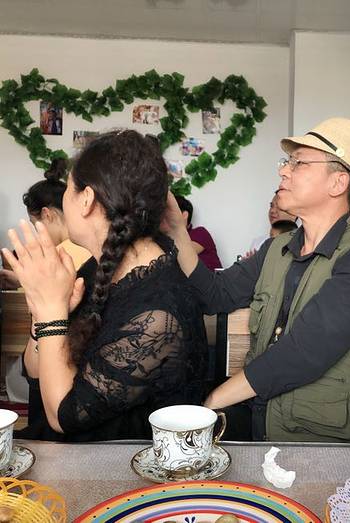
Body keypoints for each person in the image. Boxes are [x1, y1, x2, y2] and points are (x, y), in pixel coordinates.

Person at [163, 117, 350, 443]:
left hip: (328, 444)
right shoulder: (276, 248)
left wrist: (214, 400)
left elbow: (305, 350)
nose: (284, 171)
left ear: (338, 183)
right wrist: (177, 230)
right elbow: (216, 294)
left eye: (298, 163)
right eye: (287, 162)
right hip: (264, 424)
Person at [3, 129, 208, 441]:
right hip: (71, 449)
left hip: (114, 463)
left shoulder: (158, 314)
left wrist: (51, 312)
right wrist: (43, 309)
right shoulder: (98, 266)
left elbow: (63, 416)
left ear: (86, 199)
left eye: (68, 189)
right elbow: (35, 372)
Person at [1, 160, 91, 290]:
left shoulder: (61, 255)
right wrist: (21, 281)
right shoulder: (87, 245)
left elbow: (53, 293)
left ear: (47, 214)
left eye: (35, 225)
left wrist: (24, 282)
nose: (38, 234)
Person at [175, 195, 222, 270]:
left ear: (184, 215)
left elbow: (182, 254)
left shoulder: (200, 233)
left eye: (170, 212)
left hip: (213, 277)